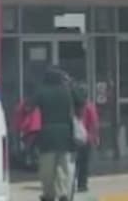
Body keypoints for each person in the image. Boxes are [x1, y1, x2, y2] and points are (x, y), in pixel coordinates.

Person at [31, 66, 85, 201]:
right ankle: (64, 194)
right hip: (66, 137)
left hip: (47, 137)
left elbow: (29, 106)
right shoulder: (68, 90)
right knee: (65, 169)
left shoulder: (41, 91)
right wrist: (72, 83)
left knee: (47, 170)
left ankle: (49, 195)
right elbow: (81, 100)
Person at [75, 83, 100, 193]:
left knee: (74, 163)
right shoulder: (89, 106)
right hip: (86, 138)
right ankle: (82, 184)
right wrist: (96, 137)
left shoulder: (74, 107)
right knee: (83, 163)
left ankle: (71, 183)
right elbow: (94, 123)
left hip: (75, 138)